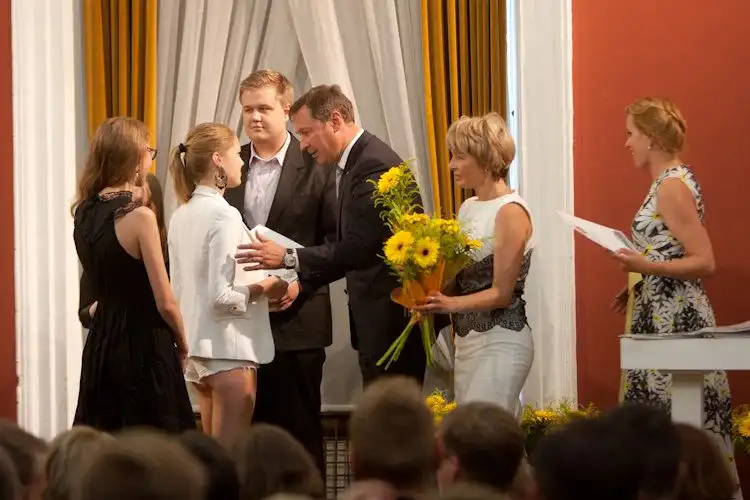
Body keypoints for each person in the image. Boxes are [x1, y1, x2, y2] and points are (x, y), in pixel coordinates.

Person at [237, 84, 425, 386]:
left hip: (390, 319)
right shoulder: (356, 162)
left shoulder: (372, 165)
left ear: (335, 121)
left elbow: (358, 248)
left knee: (391, 412)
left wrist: (288, 257)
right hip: (377, 322)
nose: (302, 144)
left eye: (306, 132)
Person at [610, 97, 740, 497]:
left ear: (650, 138)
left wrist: (646, 267)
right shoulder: (670, 181)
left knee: (678, 429)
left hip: (677, 320)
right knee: (663, 427)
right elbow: (671, 251)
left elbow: (704, 261)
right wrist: (636, 281)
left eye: (630, 134)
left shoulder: (670, 187)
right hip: (659, 313)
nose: (626, 143)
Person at [224, 70, 336, 473]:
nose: (254, 117)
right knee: (246, 446)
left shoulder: (319, 164)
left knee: (299, 439)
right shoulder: (229, 163)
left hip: (297, 321)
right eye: (247, 109)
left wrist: (299, 284)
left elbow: (336, 245)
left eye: (264, 108)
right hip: (238, 323)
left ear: (286, 110)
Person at [167, 122, 288, 449]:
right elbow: (222, 297)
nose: (242, 160)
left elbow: (182, 290)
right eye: (236, 153)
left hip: (198, 352)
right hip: (228, 352)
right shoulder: (224, 215)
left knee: (213, 459)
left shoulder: (181, 215)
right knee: (230, 461)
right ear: (218, 159)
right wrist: (268, 285)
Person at [71, 117, 194, 433]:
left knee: (107, 440)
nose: (151, 157)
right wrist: (183, 343)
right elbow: (164, 301)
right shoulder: (140, 217)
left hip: (101, 342)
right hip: (144, 344)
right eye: (149, 151)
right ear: (135, 156)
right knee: (155, 443)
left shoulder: (83, 212)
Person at [415, 113, 534, 413]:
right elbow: (462, 278)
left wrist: (448, 305)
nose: (451, 165)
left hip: (501, 342)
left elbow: (501, 293)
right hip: (467, 343)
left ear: (485, 161)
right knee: (472, 433)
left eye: (459, 157)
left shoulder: (511, 212)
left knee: (485, 430)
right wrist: (427, 297)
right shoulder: (468, 207)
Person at [78, 173, 167, 329]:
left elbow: (169, 304)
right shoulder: (108, 250)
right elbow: (84, 314)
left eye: (144, 205)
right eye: (132, 205)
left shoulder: (167, 249)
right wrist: (110, 302)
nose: (136, 212)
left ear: (156, 207)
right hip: (113, 333)